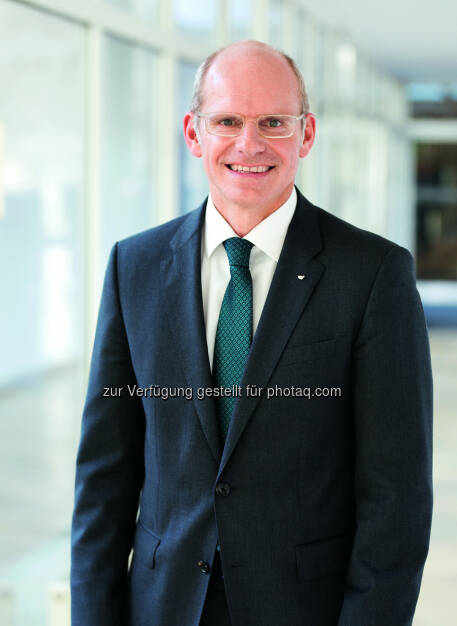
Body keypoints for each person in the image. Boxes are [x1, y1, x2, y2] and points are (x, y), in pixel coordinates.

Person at [70, 40, 433, 626]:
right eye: (228, 121)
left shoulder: (374, 275)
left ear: (306, 134)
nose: (250, 143)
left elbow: (398, 499)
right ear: (194, 134)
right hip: (161, 607)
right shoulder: (132, 267)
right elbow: (103, 481)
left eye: (273, 122)